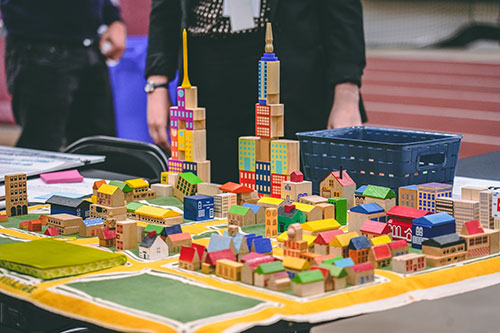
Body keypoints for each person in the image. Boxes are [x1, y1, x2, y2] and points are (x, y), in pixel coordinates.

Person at [146, 0, 366, 183]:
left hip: (292, 65)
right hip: (205, 67)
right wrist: (157, 82)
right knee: (213, 194)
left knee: (290, 190)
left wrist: (347, 89)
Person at [1, 0, 126, 151]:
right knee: (40, 152)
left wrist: (114, 19)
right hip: (37, 46)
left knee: (101, 152)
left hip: (90, 45)